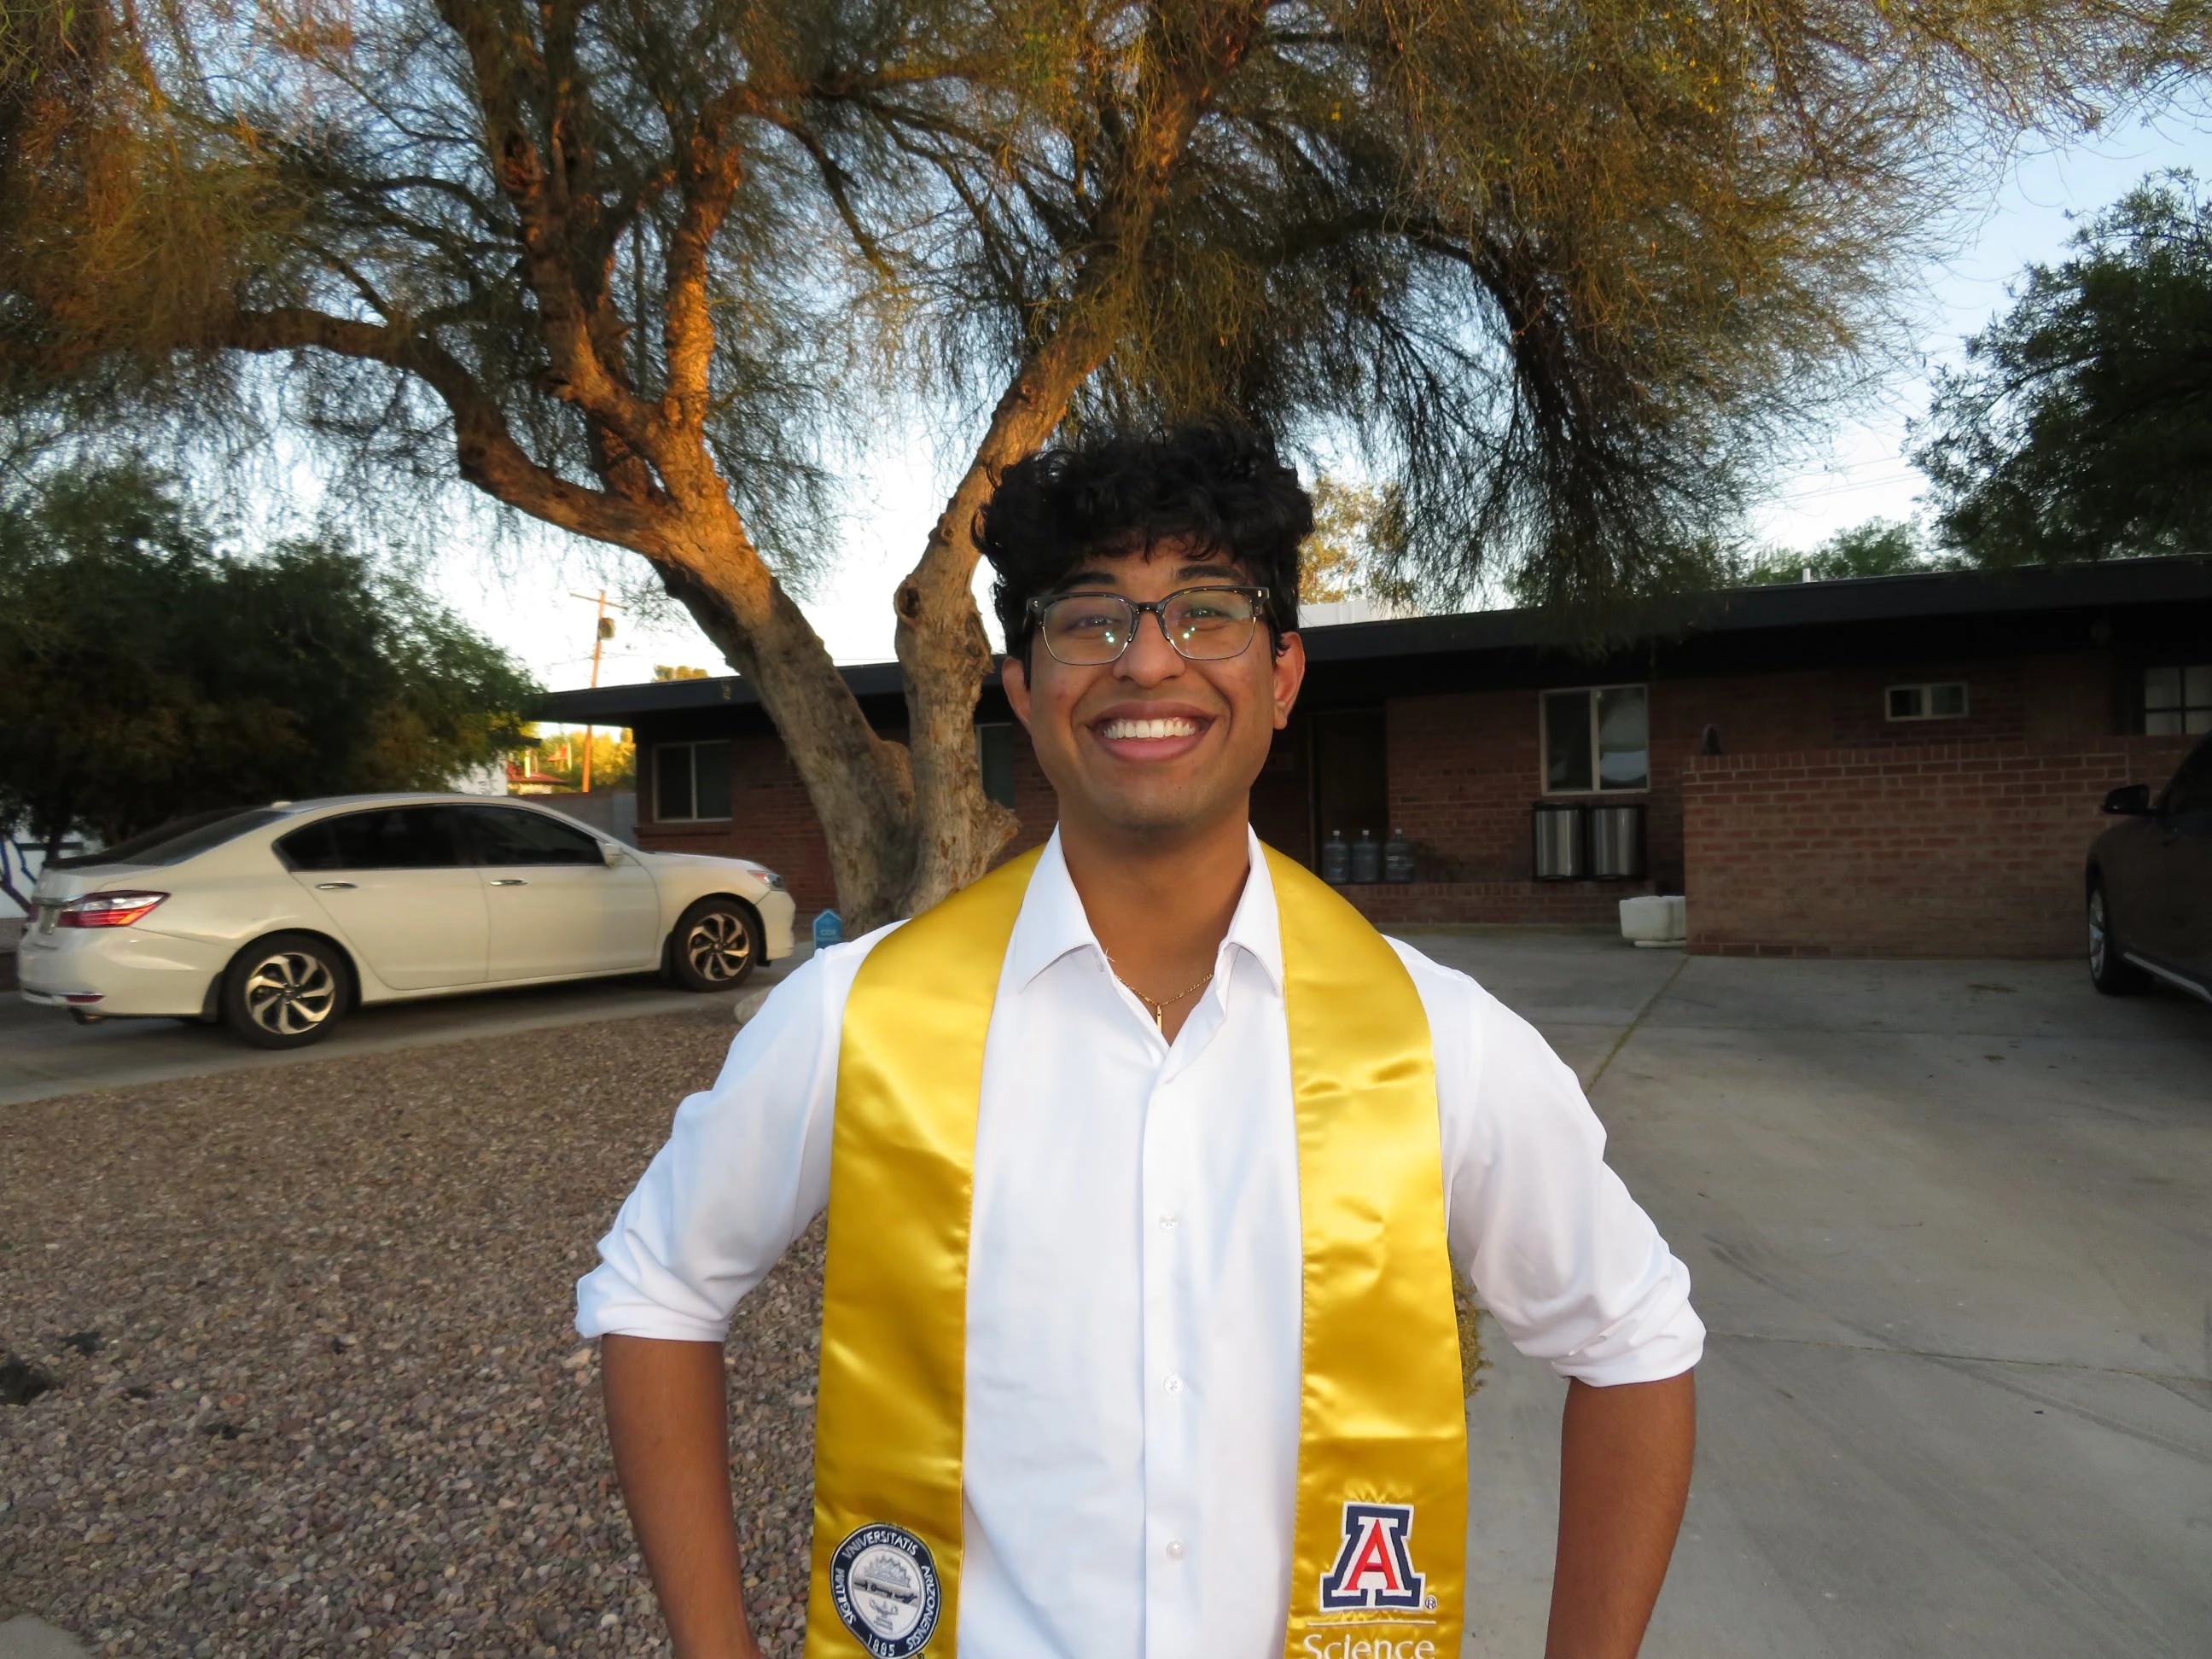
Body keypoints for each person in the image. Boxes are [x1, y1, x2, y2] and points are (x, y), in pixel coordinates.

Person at [578, 423, 1701, 1659]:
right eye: (1089, 620)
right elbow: (657, 1289)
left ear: (1281, 678)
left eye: (1207, 613)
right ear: (1022, 688)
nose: (1149, 663)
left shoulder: (1436, 1038)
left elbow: (1633, 1339)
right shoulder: (862, 1016)